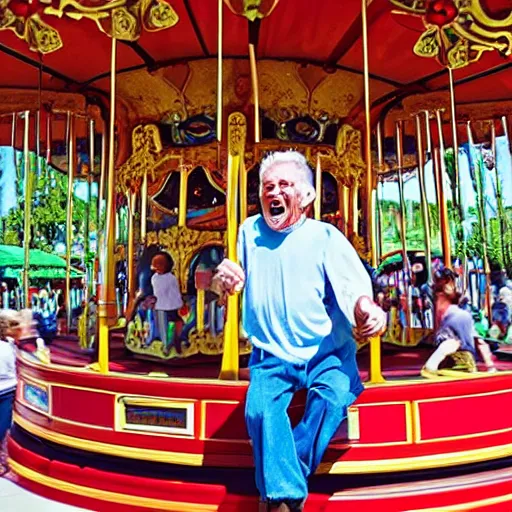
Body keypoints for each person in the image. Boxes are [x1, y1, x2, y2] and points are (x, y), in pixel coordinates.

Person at [212, 151, 386, 512]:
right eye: (267, 186)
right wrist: (221, 281)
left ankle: (284, 485)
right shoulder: (249, 232)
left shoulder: (325, 236)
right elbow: (226, 281)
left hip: (327, 353)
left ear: (306, 197)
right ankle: (286, 495)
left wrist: (365, 309)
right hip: (272, 355)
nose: (273, 192)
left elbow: (353, 286)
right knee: (259, 412)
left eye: (284, 185)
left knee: (334, 397)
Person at [421, 268, 496, 377]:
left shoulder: (458, 314)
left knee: (453, 343)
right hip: (447, 362)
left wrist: (490, 366)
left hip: (462, 362)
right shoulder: (441, 308)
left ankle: (432, 366)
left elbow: (478, 341)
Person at [150, 252, 184, 353]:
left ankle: (173, 342)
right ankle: (166, 344)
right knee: (163, 326)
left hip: (170, 305)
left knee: (174, 323)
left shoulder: (170, 278)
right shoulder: (155, 278)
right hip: (161, 305)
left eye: (160, 265)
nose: (157, 268)